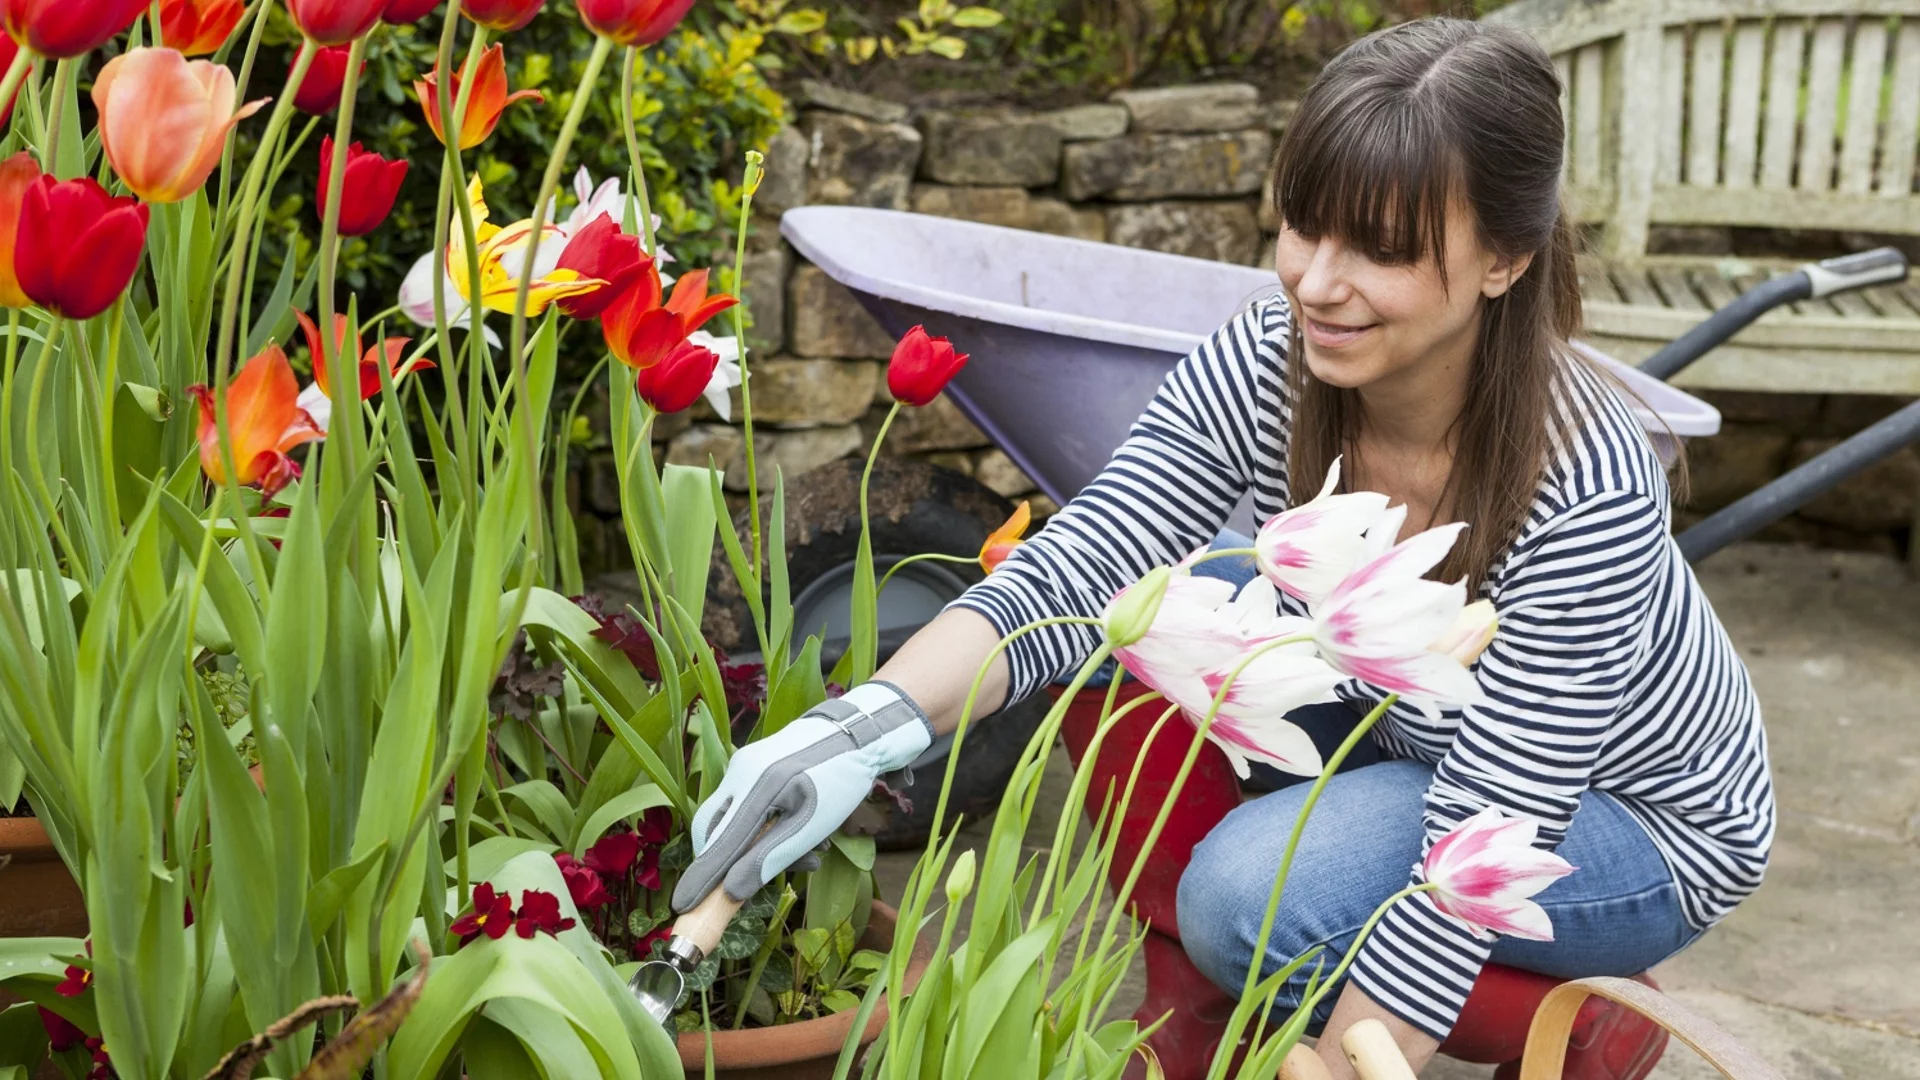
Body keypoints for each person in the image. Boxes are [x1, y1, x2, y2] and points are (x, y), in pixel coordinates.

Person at [669, 17, 1773, 1080]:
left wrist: (1353, 1063)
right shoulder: (1274, 356)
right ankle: (1221, 1001)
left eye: (1381, 249)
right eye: (1306, 225)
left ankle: (1577, 1023)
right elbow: (1086, 562)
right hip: (1425, 731)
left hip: (1631, 812)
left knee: (1245, 899)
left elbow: (1487, 833)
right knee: (1163, 609)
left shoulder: (1586, 480)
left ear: (1505, 259)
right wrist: (857, 733)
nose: (1317, 283)